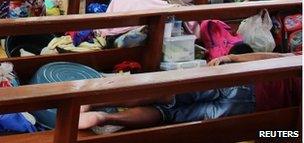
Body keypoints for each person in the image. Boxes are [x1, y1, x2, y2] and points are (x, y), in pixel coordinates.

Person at [78, 46, 299, 131]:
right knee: (170, 115)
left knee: (169, 92)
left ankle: (95, 103)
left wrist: (233, 57)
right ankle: (102, 118)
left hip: (245, 79)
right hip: (256, 108)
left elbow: (277, 56)